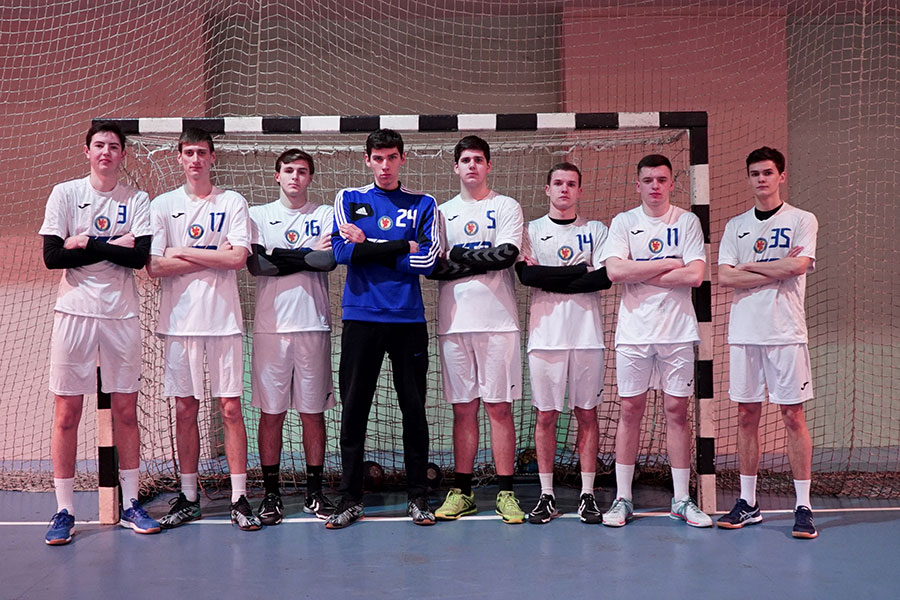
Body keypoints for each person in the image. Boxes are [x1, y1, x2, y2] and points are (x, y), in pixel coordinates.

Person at [40, 121, 161, 544]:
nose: (106, 152)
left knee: (126, 411)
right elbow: (52, 257)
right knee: (67, 412)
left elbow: (139, 258)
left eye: (113, 146)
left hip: (120, 315)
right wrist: (113, 244)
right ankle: (65, 509)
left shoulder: (137, 199)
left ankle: (132, 504)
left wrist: (85, 243)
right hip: (73, 312)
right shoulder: (65, 193)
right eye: (99, 145)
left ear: (123, 154)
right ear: (87, 151)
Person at [146, 127, 260, 531]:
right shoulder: (162, 205)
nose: (195, 159)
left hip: (223, 321)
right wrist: (214, 254)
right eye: (189, 152)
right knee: (185, 408)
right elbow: (155, 266)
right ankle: (189, 496)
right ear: (180, 158)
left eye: (202, 152)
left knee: (230, 408)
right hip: (179, 323)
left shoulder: (232, 201)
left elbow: (238, 259)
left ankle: (239, 497)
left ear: (213, 157)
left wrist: (182, 251)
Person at [326, 128, 441, 529]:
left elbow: (428, 262)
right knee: (355, 409)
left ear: (402, 158)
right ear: (367, 160)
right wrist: (400, 245)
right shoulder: (349, 199)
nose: (385, 165)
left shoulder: (423, 204)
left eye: (392, 157)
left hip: (408, 320)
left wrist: (369, 246)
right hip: (361, 318)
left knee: (414, 410)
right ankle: (349, 498)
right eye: (378, 158)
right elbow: (342, 253)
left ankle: (418, 497)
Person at [599, 154, 712, 528]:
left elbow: (695, 275)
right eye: (648, 180)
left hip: (677, 332)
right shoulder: (624, 222)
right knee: (630, 410)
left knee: (677, 411)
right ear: (638, 185)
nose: (655, 186)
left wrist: (639, 271)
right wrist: (667, 263)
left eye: (662, 180)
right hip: (634, 333)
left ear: (672, 184)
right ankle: (623, 498)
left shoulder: (687, 221)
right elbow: (615, 271)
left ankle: (681, 499)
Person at [716, 147, 818, 539]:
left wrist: (749, 266)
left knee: (792, 416)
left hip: (785, 333)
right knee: (746, 415)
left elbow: (798, 265)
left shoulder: (801, 219)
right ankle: (748, 502)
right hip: (745, 333)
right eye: (755, 173)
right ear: (748, 178)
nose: (762, 179)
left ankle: (803, 506)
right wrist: (776, 269)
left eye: (768, 172)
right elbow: (726, 277)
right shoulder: (735, 226)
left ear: (781, 176)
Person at [428, 135, 525, 524]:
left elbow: (506, 255)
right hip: (454, 324)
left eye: (478, 160)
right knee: (463, 409)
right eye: (465, 160)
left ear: (488, 166)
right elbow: (434, 267)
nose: (472, 165)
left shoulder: (506, 206)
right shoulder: (440, 212)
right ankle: (463, 492)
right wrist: (475, 259)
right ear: (456, 167)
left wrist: (459, 255)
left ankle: (506, 493)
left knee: (499, 407)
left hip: (498, 323)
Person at [516, 162, 611, 524]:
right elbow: (527, 276)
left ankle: (587, 494)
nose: (564, 189)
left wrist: (550, 277)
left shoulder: (596, 230)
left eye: (571, 184)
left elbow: (603, 279)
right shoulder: (531, 230)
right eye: (558, 183)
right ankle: (547, 495)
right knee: (546, 415)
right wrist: (580, 270)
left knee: (587, 413)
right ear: (547, 189)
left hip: (586, 336)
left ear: (579, 191)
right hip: (546, 337)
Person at [246, 148, 338, 524]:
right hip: (272, 329)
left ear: (310, 177)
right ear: (277, 176)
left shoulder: (325, 214)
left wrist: (280, 255)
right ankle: (271, 495)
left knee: (313, 413)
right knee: (272, 413)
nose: (295, 176)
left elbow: (327, 261)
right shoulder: (258, 215)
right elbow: (258, 265)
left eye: (302, 171)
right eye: (288, 170)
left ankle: (315, 493)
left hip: (313, 325)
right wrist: (304, 254)